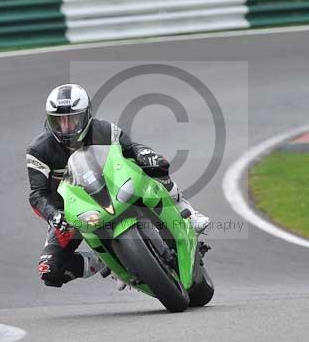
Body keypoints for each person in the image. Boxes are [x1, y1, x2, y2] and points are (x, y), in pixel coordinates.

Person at [27, 83, 211, 288]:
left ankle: (187, 212)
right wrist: (54, 215)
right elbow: (37, 195)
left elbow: (132, 149)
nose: (67, 127)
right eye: (59, 121)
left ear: (87, 115)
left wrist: (145, 154)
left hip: (115, 190)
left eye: (73, 119)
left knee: (155, 164)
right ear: (49, 120)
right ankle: (101, 261)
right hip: (71, 214)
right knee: (50, 271)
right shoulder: (38, 151)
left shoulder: (105, 130)